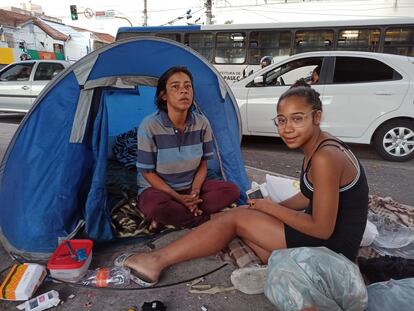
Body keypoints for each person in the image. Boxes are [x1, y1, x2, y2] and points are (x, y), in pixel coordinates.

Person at [117, 79, 369, 287]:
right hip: (326, 240)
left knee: (232, 219)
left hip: (333, 250)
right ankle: (275, 263)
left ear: (317, 117)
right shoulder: (319, 145)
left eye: (297, 118)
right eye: (281, 120)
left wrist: (271, 209)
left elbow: (321, 228)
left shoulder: (325, 157)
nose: (287, 128)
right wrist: (269, 208)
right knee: (240, 215)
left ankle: (155, 260)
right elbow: (307, 195)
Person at [136, 66, 240, 232]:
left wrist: (194, 192)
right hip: (158, 189)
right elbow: (147, 173)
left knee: (231, 190)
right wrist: (177, 197)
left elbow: (203, 164)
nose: (183, 91)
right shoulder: (149, 126)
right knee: (154, 206)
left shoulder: (202, 123)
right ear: (163, 95)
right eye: (175, 87)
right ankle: (205, 218)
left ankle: (174, 216)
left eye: (187, 86)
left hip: (190, 186)